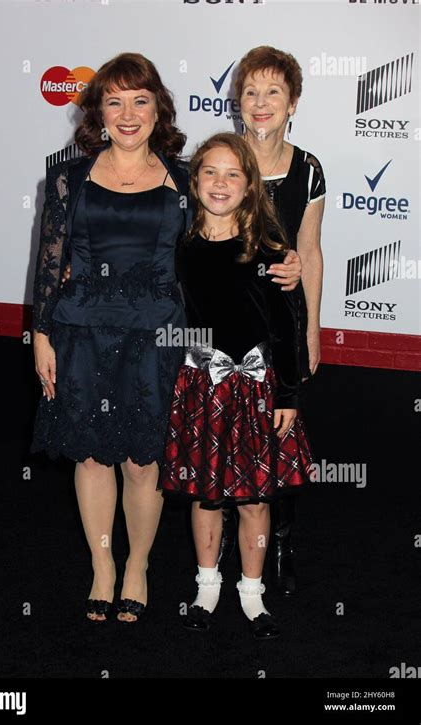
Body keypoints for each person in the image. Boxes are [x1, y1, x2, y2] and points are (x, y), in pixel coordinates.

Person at [31, 52, 191, 623]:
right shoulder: (67, 179)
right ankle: (103, 567)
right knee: (94, 455)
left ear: (158, 108)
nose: (127, 114)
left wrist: (286, 264)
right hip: (80, 333)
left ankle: (138, 566)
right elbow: (49, 264)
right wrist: (41, 335)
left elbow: (219, 254)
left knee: (143, 460)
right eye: (114, 101)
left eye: (140, 100)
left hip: (157, 338)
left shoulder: (187, 179)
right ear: (97, 112)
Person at [158, 133, 313, 638]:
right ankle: (206, 585)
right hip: (202, 385)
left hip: (256, 389)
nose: (219, 183)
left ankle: (252, 591)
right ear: (193, 179)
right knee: (205, 495)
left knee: (254, 500)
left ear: (249, 186)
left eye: (233, 175)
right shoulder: (180, 244)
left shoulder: (269, 249)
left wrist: (287, 394)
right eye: (210, 172)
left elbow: (288, 326)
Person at [217, 46, 326, 594]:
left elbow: (311, 250)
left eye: (273, 93)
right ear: (238, 101)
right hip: (227, 327)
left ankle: (277, 537)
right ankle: (222, 543)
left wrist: (312, 332)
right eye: (251, 92)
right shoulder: (220, 160)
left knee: (278, 437)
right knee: (223, 434)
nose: (260, 103)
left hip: (283, 325)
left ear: (293, 104)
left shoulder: (308, 169)